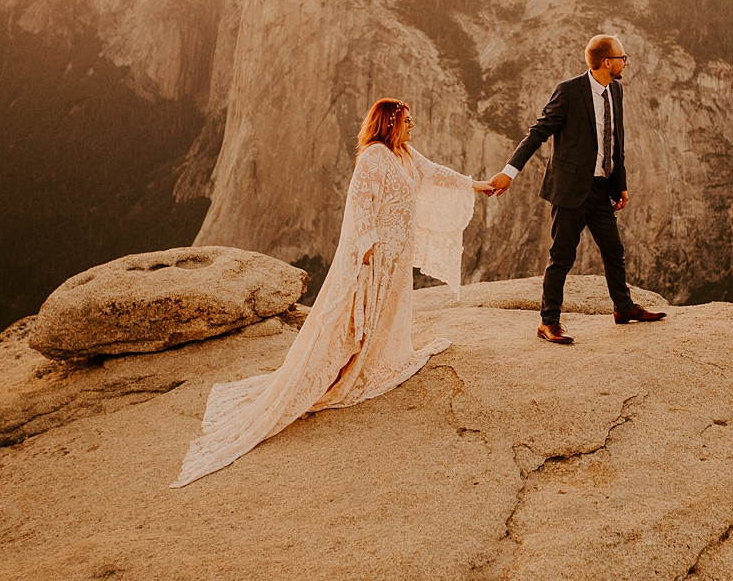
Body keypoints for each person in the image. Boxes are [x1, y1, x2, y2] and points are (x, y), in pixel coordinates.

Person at [172, 99, 493, 487]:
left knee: (389, 309)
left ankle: (378, 357)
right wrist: (368, 249)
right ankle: (348, 366)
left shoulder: (404, 153)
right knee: (362, 311)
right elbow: (359, 207)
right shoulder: (374, 157)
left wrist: (476, 185)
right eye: (407, 121)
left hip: (398, 252)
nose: (413, 127)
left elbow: (434, 172)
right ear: (389, 123)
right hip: (376, 254)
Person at [489, 34, 665, 344]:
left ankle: (623, 308)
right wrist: (509, 172)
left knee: (614, 251)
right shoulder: (570, 91)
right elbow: (538, 132)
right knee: (562, 257)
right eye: (622, 57)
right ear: (606, 62)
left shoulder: (616, 91)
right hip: (570, 189)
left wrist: (619, 184)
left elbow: (616, 142)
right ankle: (548, 322)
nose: (626, 62)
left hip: (600, 190)